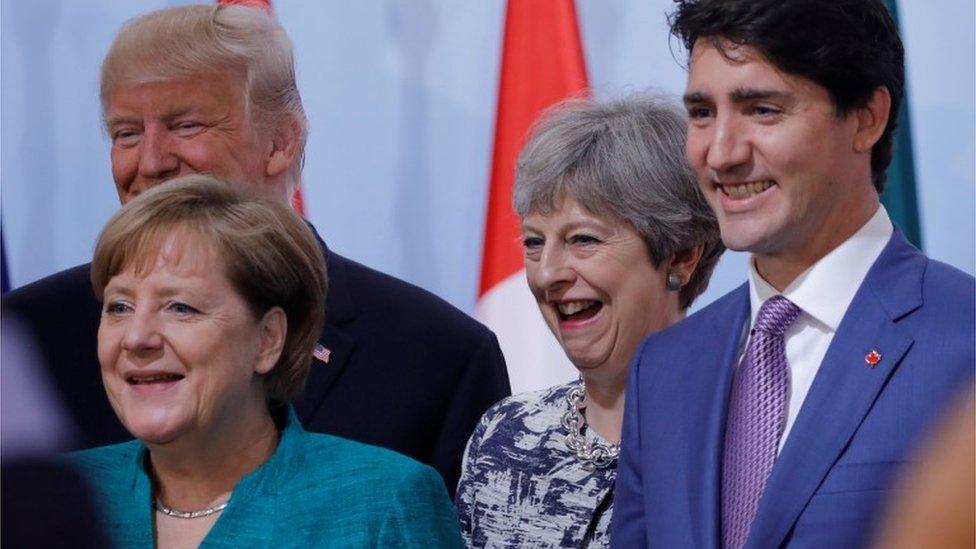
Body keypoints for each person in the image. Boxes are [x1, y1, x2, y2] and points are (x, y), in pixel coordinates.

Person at [0, 4, 509, 493]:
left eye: (186, 125)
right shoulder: (26, 339)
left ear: (280, 142)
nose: (150, 162)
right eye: (126, 133)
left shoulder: (438, 356)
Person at [610, 1, 976, 547]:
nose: (721, 153)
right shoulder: (664, 367)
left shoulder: (964, 341)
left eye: (762, 110)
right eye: (702, 113)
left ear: (866, 118)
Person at [67, 175, 463, 548]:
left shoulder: (383, 501)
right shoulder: (46, 498)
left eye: (180, 307)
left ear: (268, 339)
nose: (136, 338)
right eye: (119, 307)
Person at [455, 94, 723, 547]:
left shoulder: (739, 436)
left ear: (679, 255)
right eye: (535, 242)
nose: (547, 274)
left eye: (583, 239)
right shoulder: (507, 434)